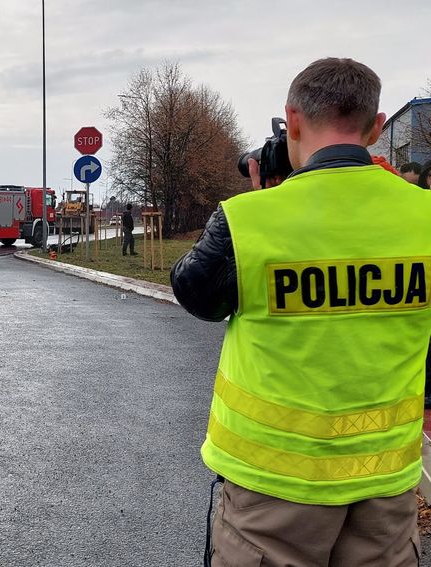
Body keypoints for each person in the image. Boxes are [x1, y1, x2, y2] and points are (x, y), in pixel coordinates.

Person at [171, 57, 431, 566]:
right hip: (386, 485)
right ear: (376, 128)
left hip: (273, 490)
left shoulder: (248, 219)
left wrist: (261, 205)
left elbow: (196, 296)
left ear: (291, 120)